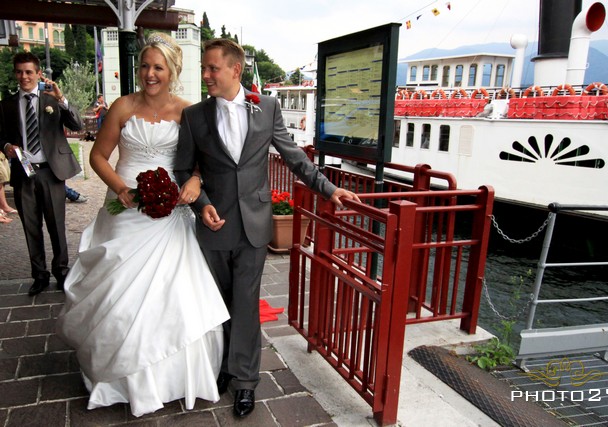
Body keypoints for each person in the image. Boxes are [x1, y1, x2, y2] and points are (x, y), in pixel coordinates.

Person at [175, 38, 360, 418]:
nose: (206, 75)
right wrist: (202, 205)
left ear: (235, 70)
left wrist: (329, 188)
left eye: (212, 68)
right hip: (213, 224)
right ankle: (225, 364)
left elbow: (294, 157)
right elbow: (183, 170)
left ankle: (244, 380)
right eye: (204, 68)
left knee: (245, 302)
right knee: (220, 301)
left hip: (256, 224)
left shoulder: (267, 107)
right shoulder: (194, 116)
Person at [55, 32, 229, 418]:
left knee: (176, 294)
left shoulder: (189, 111)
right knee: (118, 288)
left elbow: (201, 163)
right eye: (145, 66)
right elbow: (99, 157)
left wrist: (195, 181)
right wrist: (121, 189)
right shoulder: (122, 106)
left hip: (172, 215)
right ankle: (120, 378)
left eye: (158, 67)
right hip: (126, 209)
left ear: (173, 72)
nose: (150, 74)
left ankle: (173, 378)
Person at [0, 52, 83, 295]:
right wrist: (6, 147)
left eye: (29, 72)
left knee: (56, 225)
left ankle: (61, 271)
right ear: (16, 74)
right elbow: (0, 136)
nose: (24, 76)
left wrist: (62, 99)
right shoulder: (6, 104)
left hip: (51, 171)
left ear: (38, 74)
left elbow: (76, 124)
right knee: (31, 227)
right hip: (23, 173)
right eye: (19, 72)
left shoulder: (51, 99)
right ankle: (39, 275)